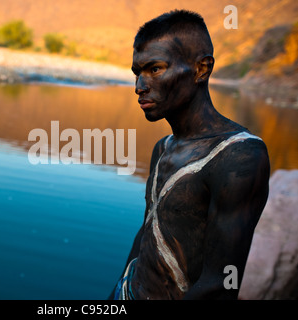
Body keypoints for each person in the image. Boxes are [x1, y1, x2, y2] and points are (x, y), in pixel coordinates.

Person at [109, 10, 270, 300]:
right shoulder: (164, 147)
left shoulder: (239, 155)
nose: (139, 87)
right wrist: (118, 291)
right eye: (137, 73)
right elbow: (147, 232)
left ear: (201, 69)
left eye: (155, 69)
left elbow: (222, 284)